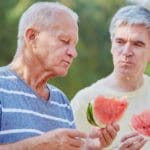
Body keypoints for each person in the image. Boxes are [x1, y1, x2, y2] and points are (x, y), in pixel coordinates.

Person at [0, 2, 119, 150]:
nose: (73, 53)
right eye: (64, 41)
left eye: (74, 45)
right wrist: (38, 145)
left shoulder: (61, 101)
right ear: (32, 37)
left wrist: (88, 147)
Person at [71, 4, 150, 150]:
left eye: (137, 44)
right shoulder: (84, 101)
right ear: (111, 46)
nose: (126, 51)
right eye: (120, 42)